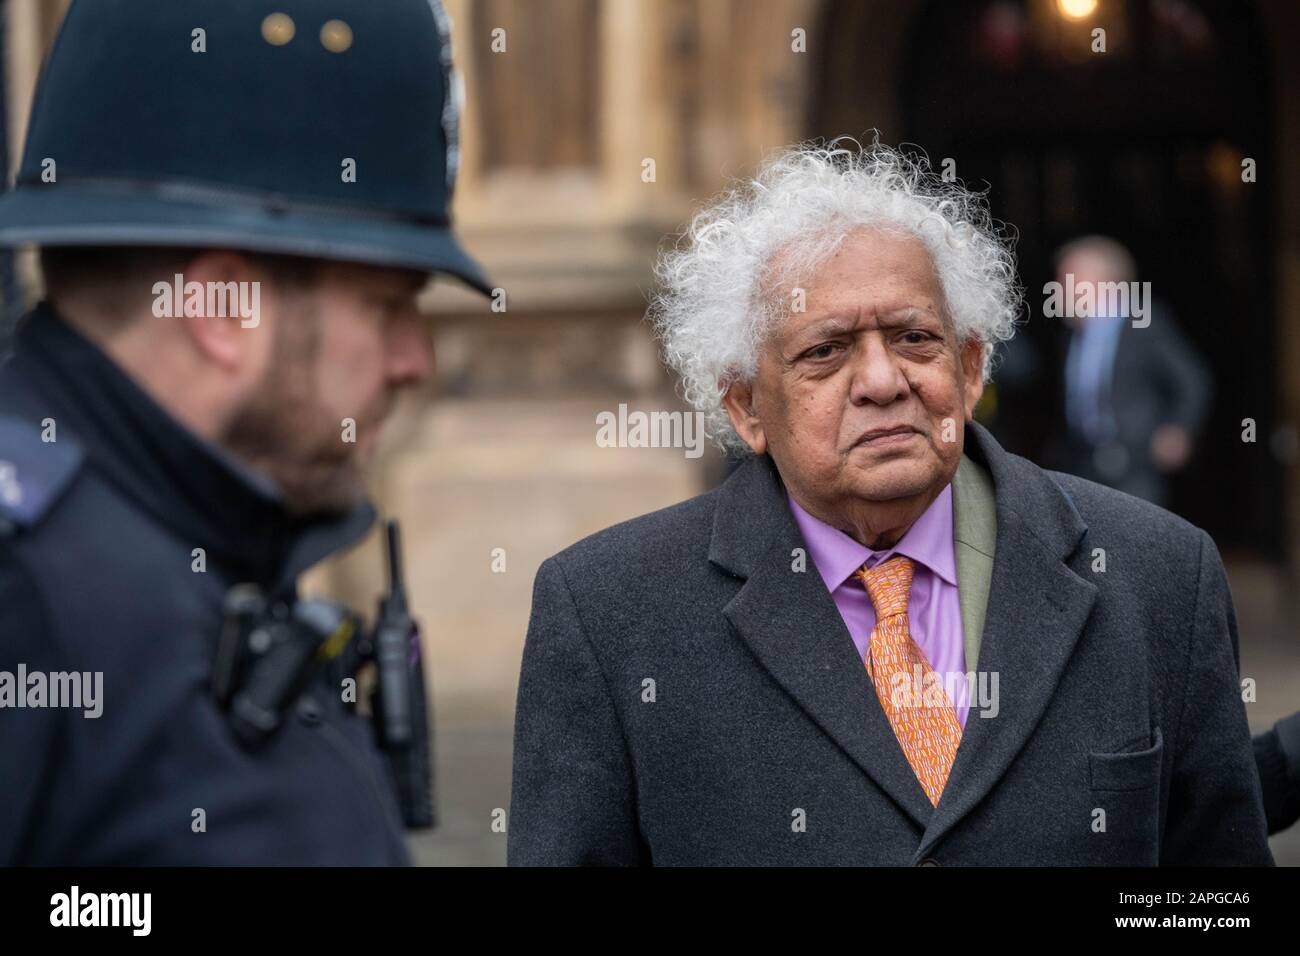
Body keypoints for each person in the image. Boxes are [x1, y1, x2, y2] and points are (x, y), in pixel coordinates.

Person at [507, 140, 1271, 865]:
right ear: (745, 407)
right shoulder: (609, 613)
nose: (881, 381)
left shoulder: (1160, 574)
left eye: (913, 338)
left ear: (970, 369)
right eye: (824, 352)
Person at [0, 0, 489, 864]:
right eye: (388, 306)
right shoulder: (29, 603)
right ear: (220, 309)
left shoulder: (207, 548)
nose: (415, 360)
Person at [1048, 236, 1211, 508]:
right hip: (1082, 463)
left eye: (1070, 278)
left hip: (1136, 463)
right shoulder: (1071, 335)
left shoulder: (1145, 324)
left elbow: (1193, 379)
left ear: (1106, 282)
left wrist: (1179, 427)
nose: (1060, 287)